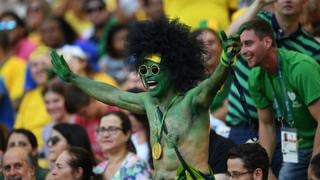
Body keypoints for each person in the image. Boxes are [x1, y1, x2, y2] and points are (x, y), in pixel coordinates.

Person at [51, 17, 238, 179]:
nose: (148, 76)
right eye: (144, 70)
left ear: (173, 70)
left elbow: (212, 84)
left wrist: (224, 62)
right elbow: (112, 94)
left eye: (155, 70)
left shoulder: (193, 101)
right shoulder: (148, 101)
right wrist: (73, 78)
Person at [225, 0, 320, 176]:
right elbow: (228, 40)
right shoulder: (256, 24)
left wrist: (316, 163)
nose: (243, 51)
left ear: (268, 42)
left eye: (248, 44)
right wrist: (258, 3)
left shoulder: (310, 53)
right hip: (243, 124)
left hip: (294, 134)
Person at [93, 110, 152, 179]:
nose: (105, 135)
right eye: (102, 130)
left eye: (112, 129)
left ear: (127, 134)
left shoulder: (137, 166)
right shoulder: (98, 169)